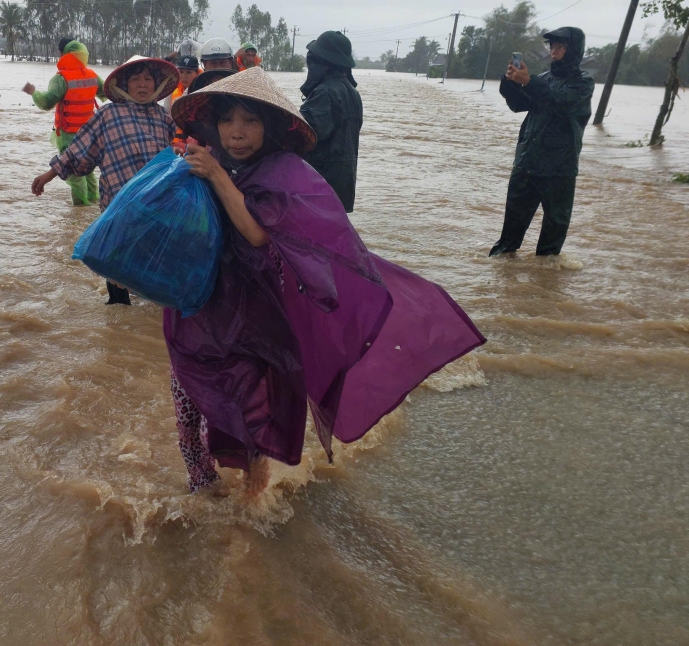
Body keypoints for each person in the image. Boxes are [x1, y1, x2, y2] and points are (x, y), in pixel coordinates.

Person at [166, 67, 485, 494]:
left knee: (248, 410)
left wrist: (218, 178)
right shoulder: (209, 161)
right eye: (227, 121)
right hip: (204, 304)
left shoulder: (285, 172)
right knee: (189, 398)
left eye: (250, 121)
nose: (236, 132)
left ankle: (251, 502)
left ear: (271, 126)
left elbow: (258, 234)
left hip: (256, 316)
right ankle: (201, 489)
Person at [31, 56, 179, 304]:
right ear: (125, 85)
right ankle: (118, 314)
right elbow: (77, 151)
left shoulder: (164, 120)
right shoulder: (109, 115)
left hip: (155, 206)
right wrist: (48, 175)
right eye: (135, 80)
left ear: (156, 85)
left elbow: (174, 161)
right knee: (117, 261)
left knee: (154, 261)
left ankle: (153, 308)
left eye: (147, 79)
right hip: (118, 203)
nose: (142, 85)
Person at [490, 27, 594, 258]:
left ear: (573, 50)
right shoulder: (544, 79)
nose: (554, 51)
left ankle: (546, 285)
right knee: (507, 240)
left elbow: (560, 102)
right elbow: (518, 105)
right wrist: (510, 84)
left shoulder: (583, 83)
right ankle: (499, 281)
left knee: (550, 245)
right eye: (552, 46)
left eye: (560, 47)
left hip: (559, 169)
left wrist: (529, 82)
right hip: (527, 163)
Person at [23, 39, 105, 206]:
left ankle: (79, 209)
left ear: (62, 54)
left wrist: (33, 93)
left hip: (69, 135)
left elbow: (46, 102)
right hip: (90, 134)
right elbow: (108, 92)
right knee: (88, 171)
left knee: (74, 175)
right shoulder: (93, 76)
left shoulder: (60, 79)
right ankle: (94, 205)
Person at [298, 30, 363, 213]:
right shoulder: (353, 93)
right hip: (342, 187)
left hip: (320, 188)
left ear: (323, 63)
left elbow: (303, 137)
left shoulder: (325, 93)